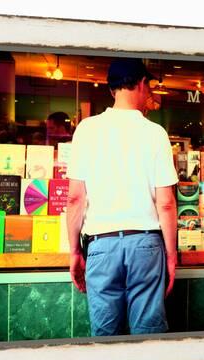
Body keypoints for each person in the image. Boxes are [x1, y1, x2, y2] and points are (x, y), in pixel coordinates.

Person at [66, 58, 178, 336]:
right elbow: (165, 202)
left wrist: (74, 252)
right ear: (142, 84)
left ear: (112, 89)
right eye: (149, 85)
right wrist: (172, 256)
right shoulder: (155, 133)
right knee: (148, 335)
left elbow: (75, 200)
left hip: (101, 245)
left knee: (105, 337)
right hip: (146, 245)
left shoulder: (86, 130)